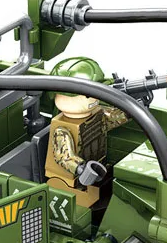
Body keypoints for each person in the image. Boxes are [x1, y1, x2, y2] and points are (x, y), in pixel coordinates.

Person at [44, 56, 129, 208]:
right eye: (89, 94)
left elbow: (113, 119)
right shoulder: (62, 129)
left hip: (97, 171)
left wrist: (134, 108)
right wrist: (81, 168)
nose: (94, 98)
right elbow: (64, 157)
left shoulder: (97, 114)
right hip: (69, 182)